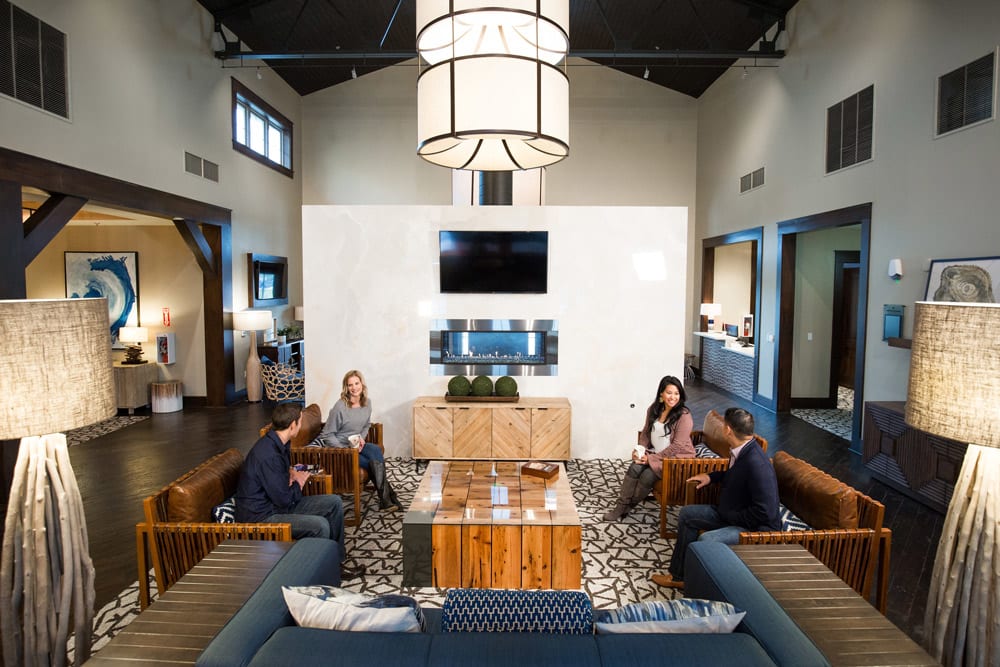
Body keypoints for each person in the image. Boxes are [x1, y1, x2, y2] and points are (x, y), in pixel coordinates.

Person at [651, 407, 779, 589]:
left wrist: (731, 518)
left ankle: (700, 588)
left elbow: (765, 512)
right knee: (688, 515)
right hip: (732, 513)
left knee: (707, 541)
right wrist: (711, 477)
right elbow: (734, 475)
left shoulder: (757, 464)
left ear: (727, 429)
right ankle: (678, 576)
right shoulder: (741, 451)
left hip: (753, 528)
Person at [236, 402, 365, 580]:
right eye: (300, 422)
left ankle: (336, 562)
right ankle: (319, 575)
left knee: (334, 502)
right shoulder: (269, 455)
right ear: (292, 425)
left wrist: (290, 472)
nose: (301, 425)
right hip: (262, 516)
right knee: (320, 526)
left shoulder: (280, 443)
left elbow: (278, 481)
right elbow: (285, 500)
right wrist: (300, 482)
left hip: (275, 505)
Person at [603, 375, 694, 521]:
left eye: (677, 393)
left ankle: (627, 507)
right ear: (661, 394)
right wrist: (640, 450)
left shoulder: (684, 416)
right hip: (656, 454)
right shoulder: (653, 409)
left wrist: (650, 459)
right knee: (634, 467)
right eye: (669, 393)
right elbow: (646, 432)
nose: (673, 397)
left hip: (675, 460)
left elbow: (678, 446)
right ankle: (621, 506)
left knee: (647, 476)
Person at [313, 369, 401, 511]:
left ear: (362, 384)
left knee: (375, 449)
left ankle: (386, 498)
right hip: (342, 449)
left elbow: (366, 424)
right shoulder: (340, 406)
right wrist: (345, 449)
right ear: (345, 387)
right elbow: (327, 434)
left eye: (356, 383)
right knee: (371, 463)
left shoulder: (367, 403)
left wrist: (361, 439)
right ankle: (387, 497)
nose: (354, 388)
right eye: (350, 385)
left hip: (356, 444)